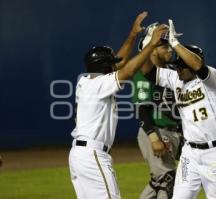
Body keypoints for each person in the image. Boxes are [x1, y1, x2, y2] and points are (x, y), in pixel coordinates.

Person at [68, 11, 169, 199]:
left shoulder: (86, 82)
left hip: (81, 155)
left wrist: (132, 35)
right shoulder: (99, 85)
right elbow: (128, 69)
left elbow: (120, 62)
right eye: (111, 63)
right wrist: (152, 44)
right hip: (93, 156)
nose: (116, 64)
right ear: (105, 67)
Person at [144, 19, 216, 199]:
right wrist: (149, 44)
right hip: (189, 154)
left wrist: (174, 42)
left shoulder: (212, 79)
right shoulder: (176, 79)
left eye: (182, 66)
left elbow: (198, 66)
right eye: (177, 66)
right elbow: (147, 71)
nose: (178, 69)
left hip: (215, 153)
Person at [131, 22, 183, 199]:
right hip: (156, 132)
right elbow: (141, 109)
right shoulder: (144, 74)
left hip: (172, 132)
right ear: (152, 48)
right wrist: (154, 138)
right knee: (169, 181)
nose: (170, 49)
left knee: (158, 182)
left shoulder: (169, 71)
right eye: (164, 45)